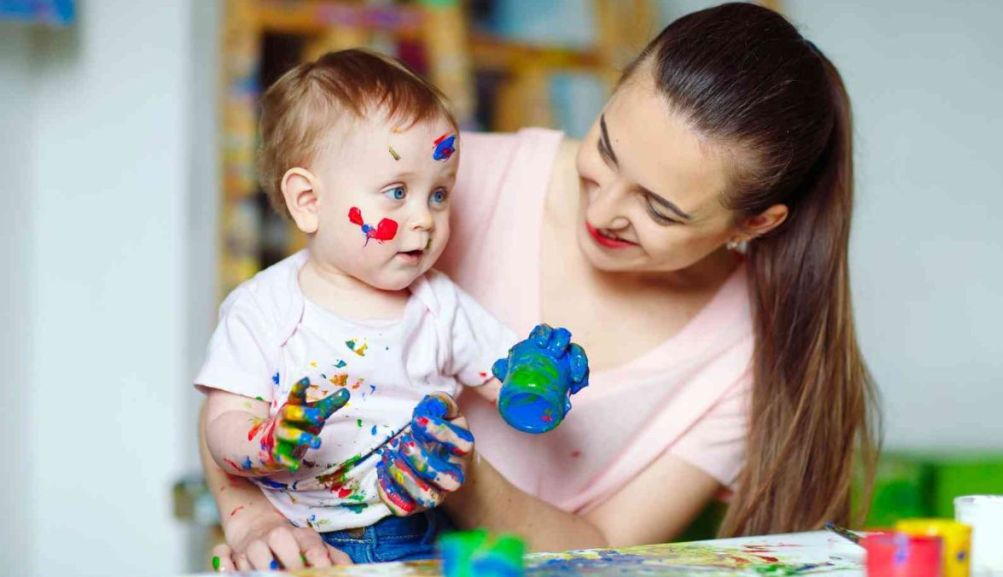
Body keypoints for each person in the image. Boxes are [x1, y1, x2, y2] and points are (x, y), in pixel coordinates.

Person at [202, 3, 878, 571]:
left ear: (755, 222)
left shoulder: (745, 358)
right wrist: (252, 518)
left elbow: (610, 552)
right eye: (607, 147)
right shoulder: (439, 184)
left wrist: (461, 472)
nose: (604, 209)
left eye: (660, 208)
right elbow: (260, 370)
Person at [196, 48, 588, 567]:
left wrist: (540, 374)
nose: (424, 220)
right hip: (301, 540)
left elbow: (503, 377)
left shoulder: (438, 303)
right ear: (309, 202)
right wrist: (268, 441)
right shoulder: (263, 308)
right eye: (397, 191)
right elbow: (222, 424)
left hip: (420, 529)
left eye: (439, 195)